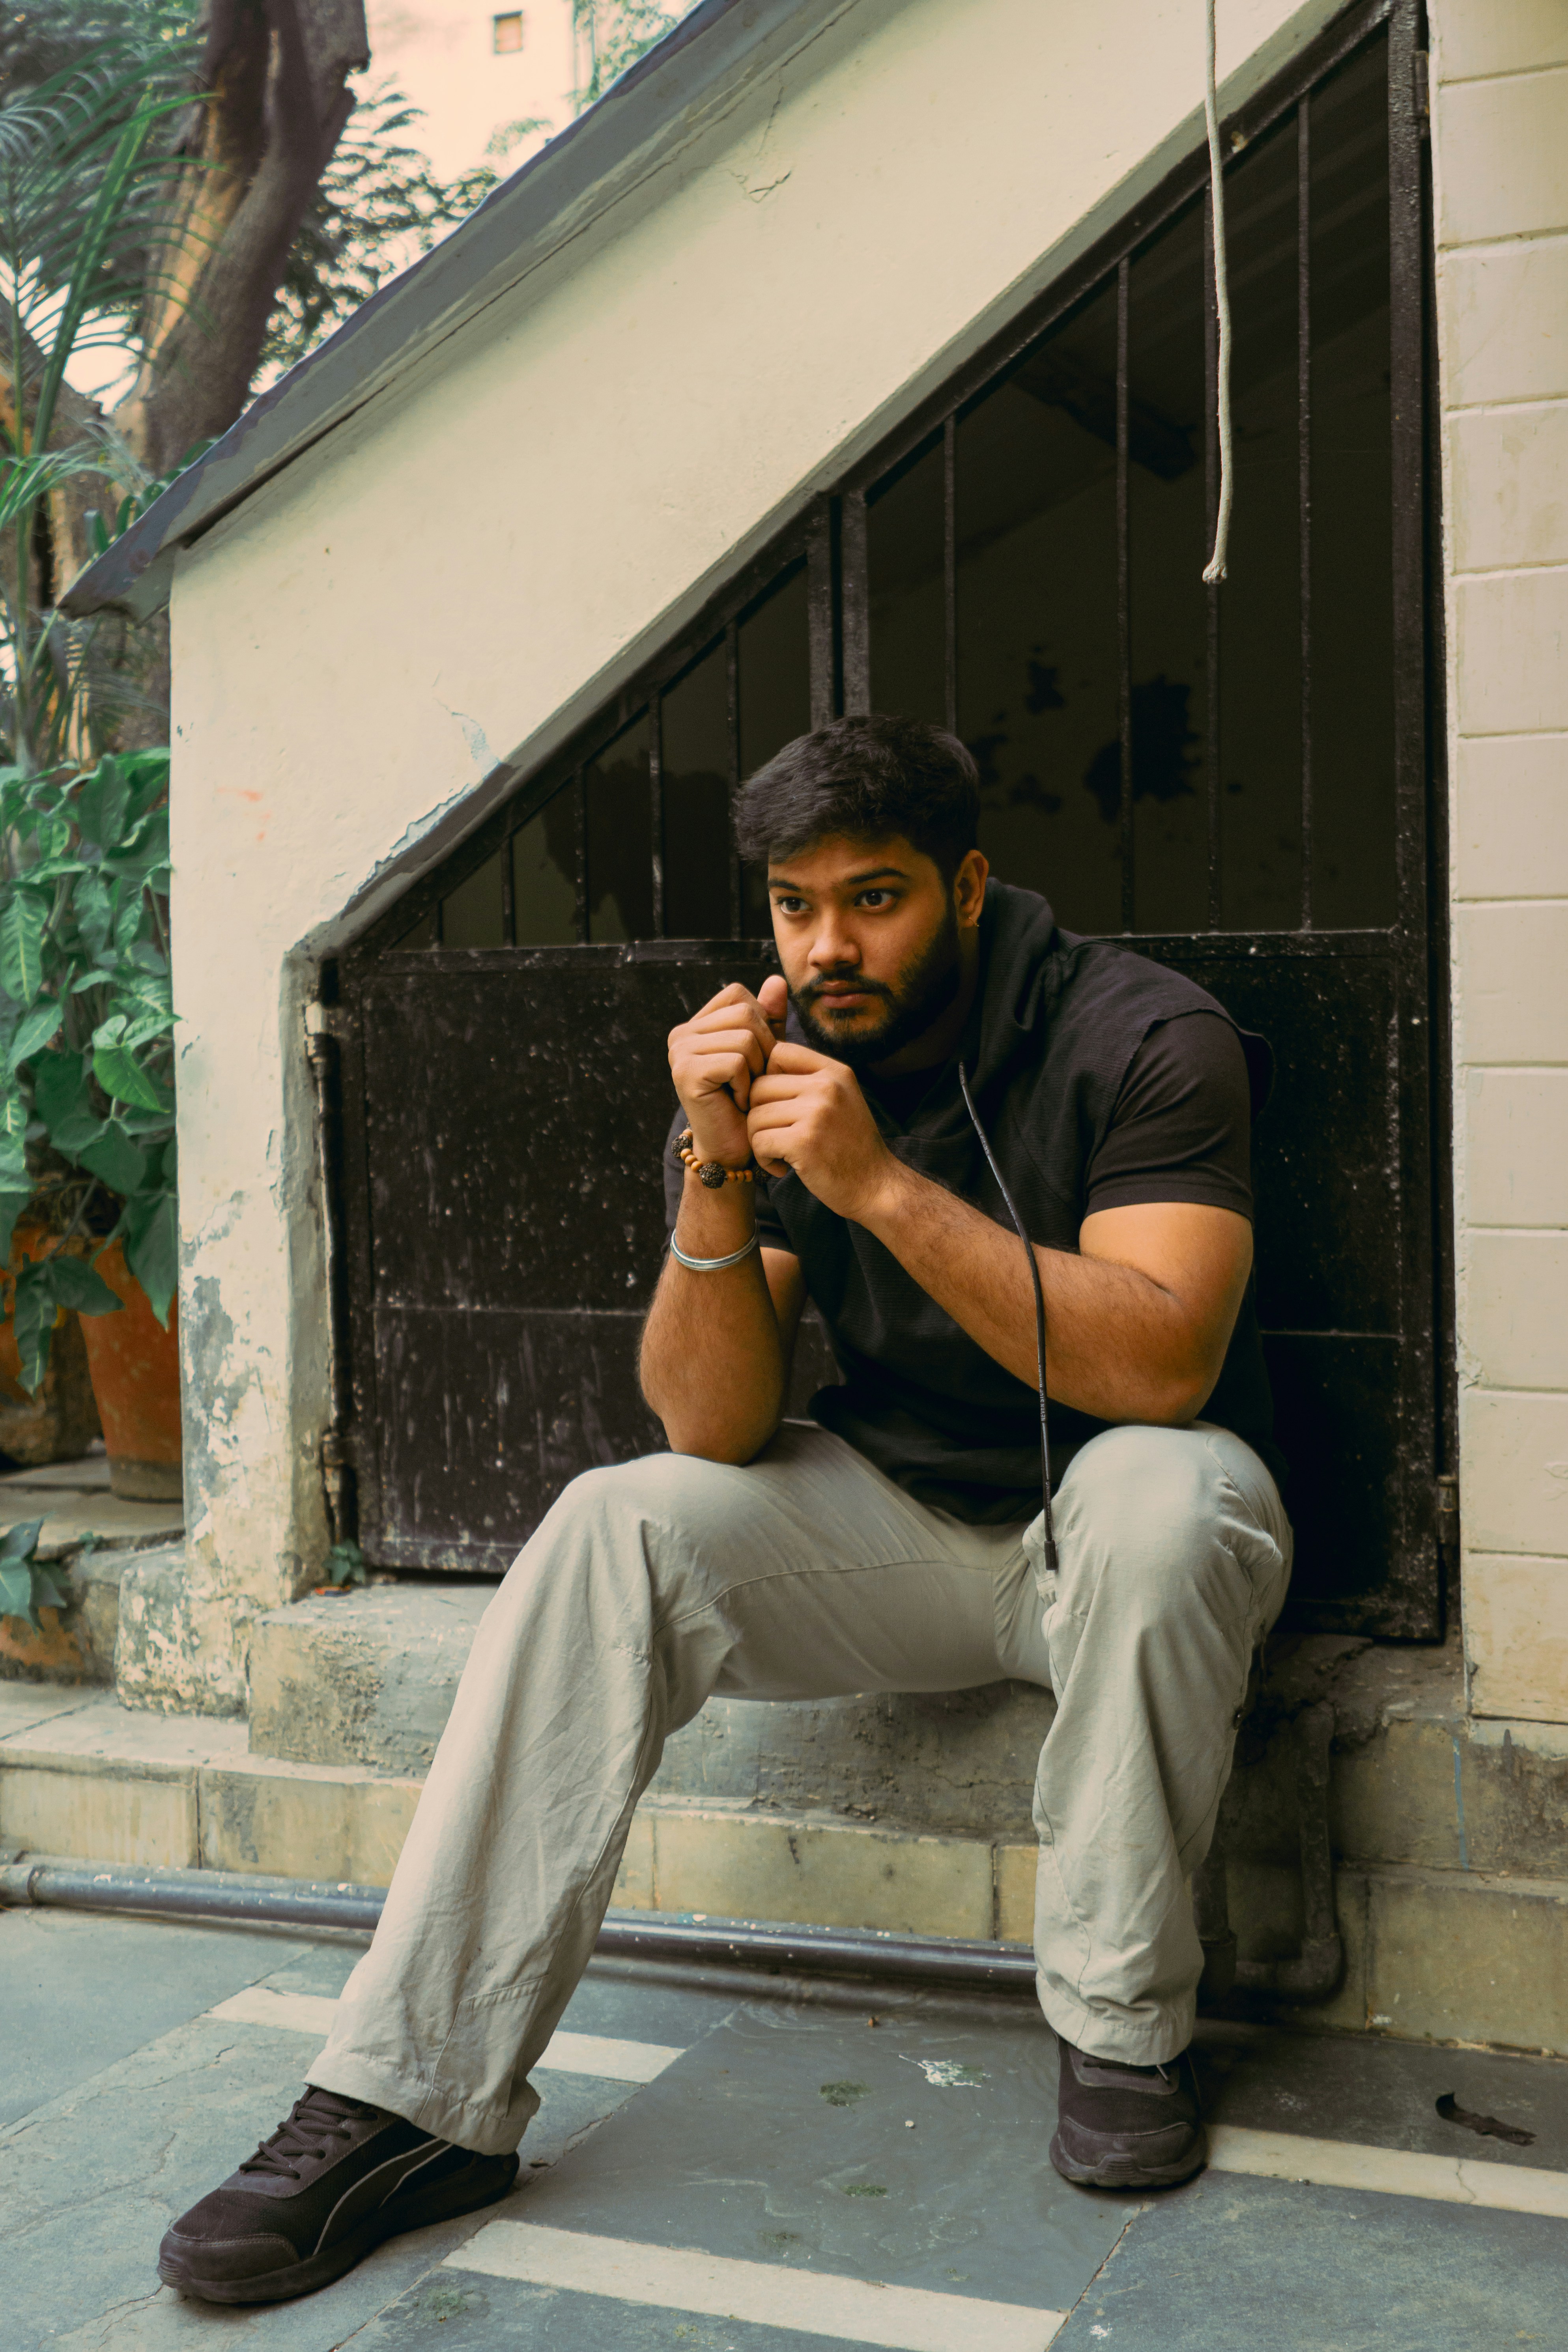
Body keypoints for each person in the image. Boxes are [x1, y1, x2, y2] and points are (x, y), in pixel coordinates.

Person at [157, 715, 1290, 2307]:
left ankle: (1119, 2038)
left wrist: (880, 1188)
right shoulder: (776, 1064)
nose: (828, 946)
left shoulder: (1145, 1033)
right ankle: (416, 2096)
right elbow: (710, 1423)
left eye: (874, 898)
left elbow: (1162, 1365)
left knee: (1166, 1495)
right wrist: (714, 1163)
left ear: (967, 888)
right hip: (897, 1530)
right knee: (616, 1518)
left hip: (1116, 1535)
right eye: (793, 905)